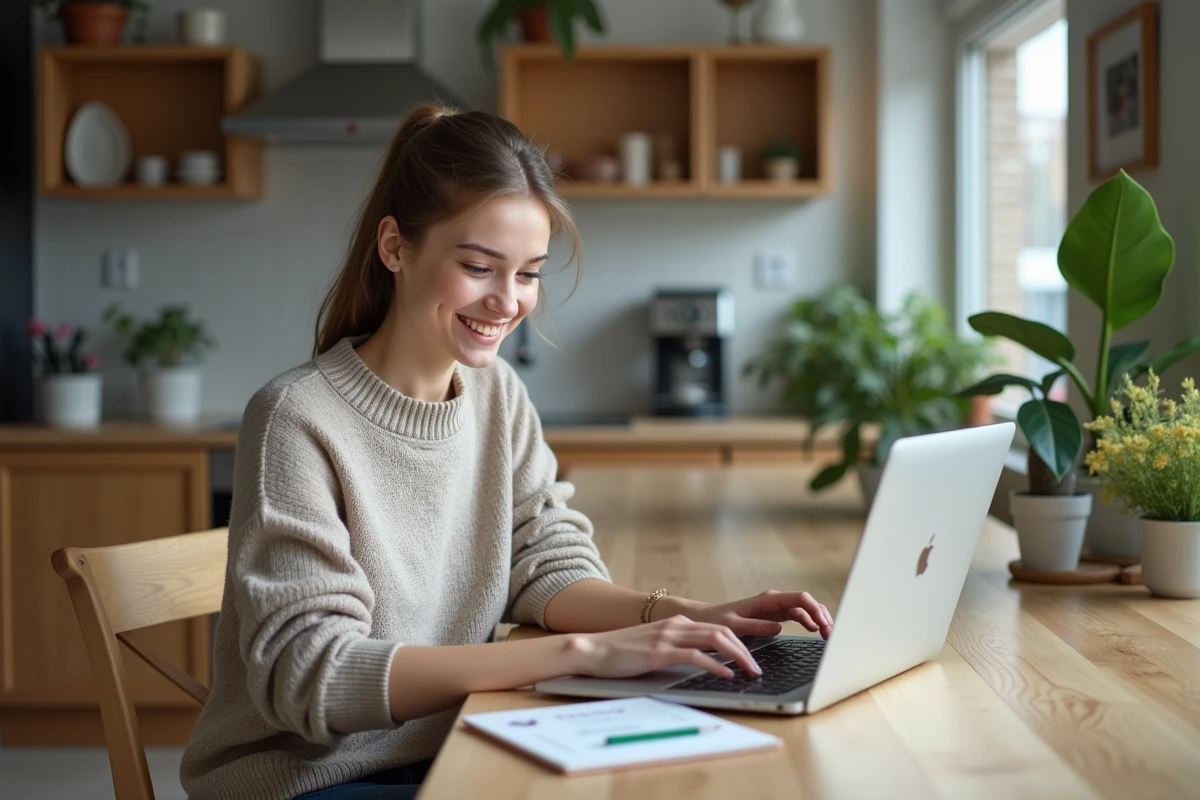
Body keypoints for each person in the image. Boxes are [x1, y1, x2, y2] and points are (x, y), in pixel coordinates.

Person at [180, 104, 833, 800]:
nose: (508, 301)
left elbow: (543, 564)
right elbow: (315, 676)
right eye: (478, 267)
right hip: (309, 778)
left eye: (528, 273)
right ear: (395, 247)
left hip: (447, 745)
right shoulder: (297, 418)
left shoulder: (497, 395)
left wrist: (687, 617)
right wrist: (586, 655)